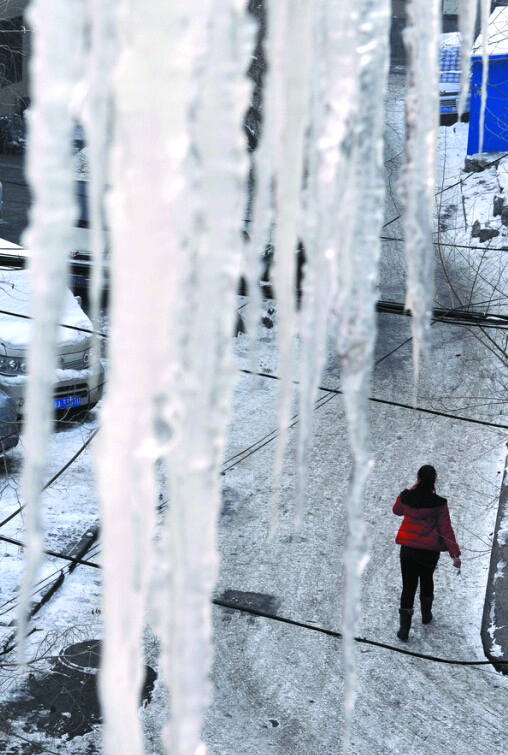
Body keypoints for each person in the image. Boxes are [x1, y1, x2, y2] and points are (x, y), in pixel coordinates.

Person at [393, 464, 461, 641]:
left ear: (418, 478)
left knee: (408, 586)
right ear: (434, 481)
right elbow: (446, 529)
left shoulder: (406, 497)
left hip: (408, 550)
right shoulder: (439, 503)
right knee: (426, 579)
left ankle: (404, 630)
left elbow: (397, 511)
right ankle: (426, 615)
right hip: (429, 552)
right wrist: (454, 554)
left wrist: (409, 488)